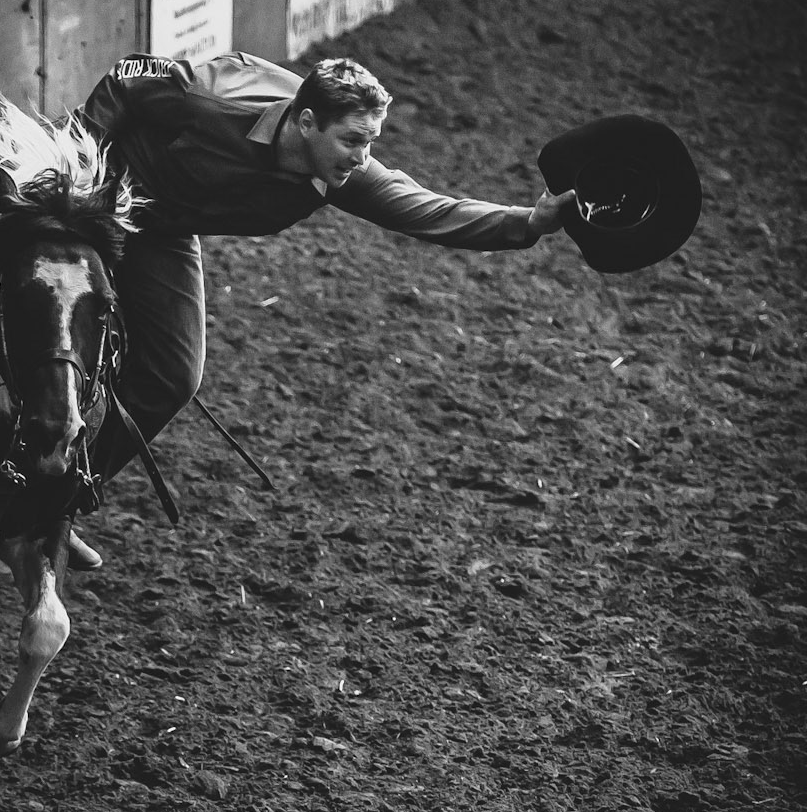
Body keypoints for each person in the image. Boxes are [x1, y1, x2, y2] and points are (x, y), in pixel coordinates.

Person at [65, 50, 576, 559]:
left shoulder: (341, 174)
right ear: (307, 122)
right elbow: (127, 76)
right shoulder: (218, 95)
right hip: (96, 191)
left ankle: (57, 499)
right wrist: (81, 169)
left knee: (175, 376)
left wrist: (527, 222)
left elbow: (426, 210)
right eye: (352, 140)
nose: (361, 157)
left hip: (163, 232)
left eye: (370, 142)